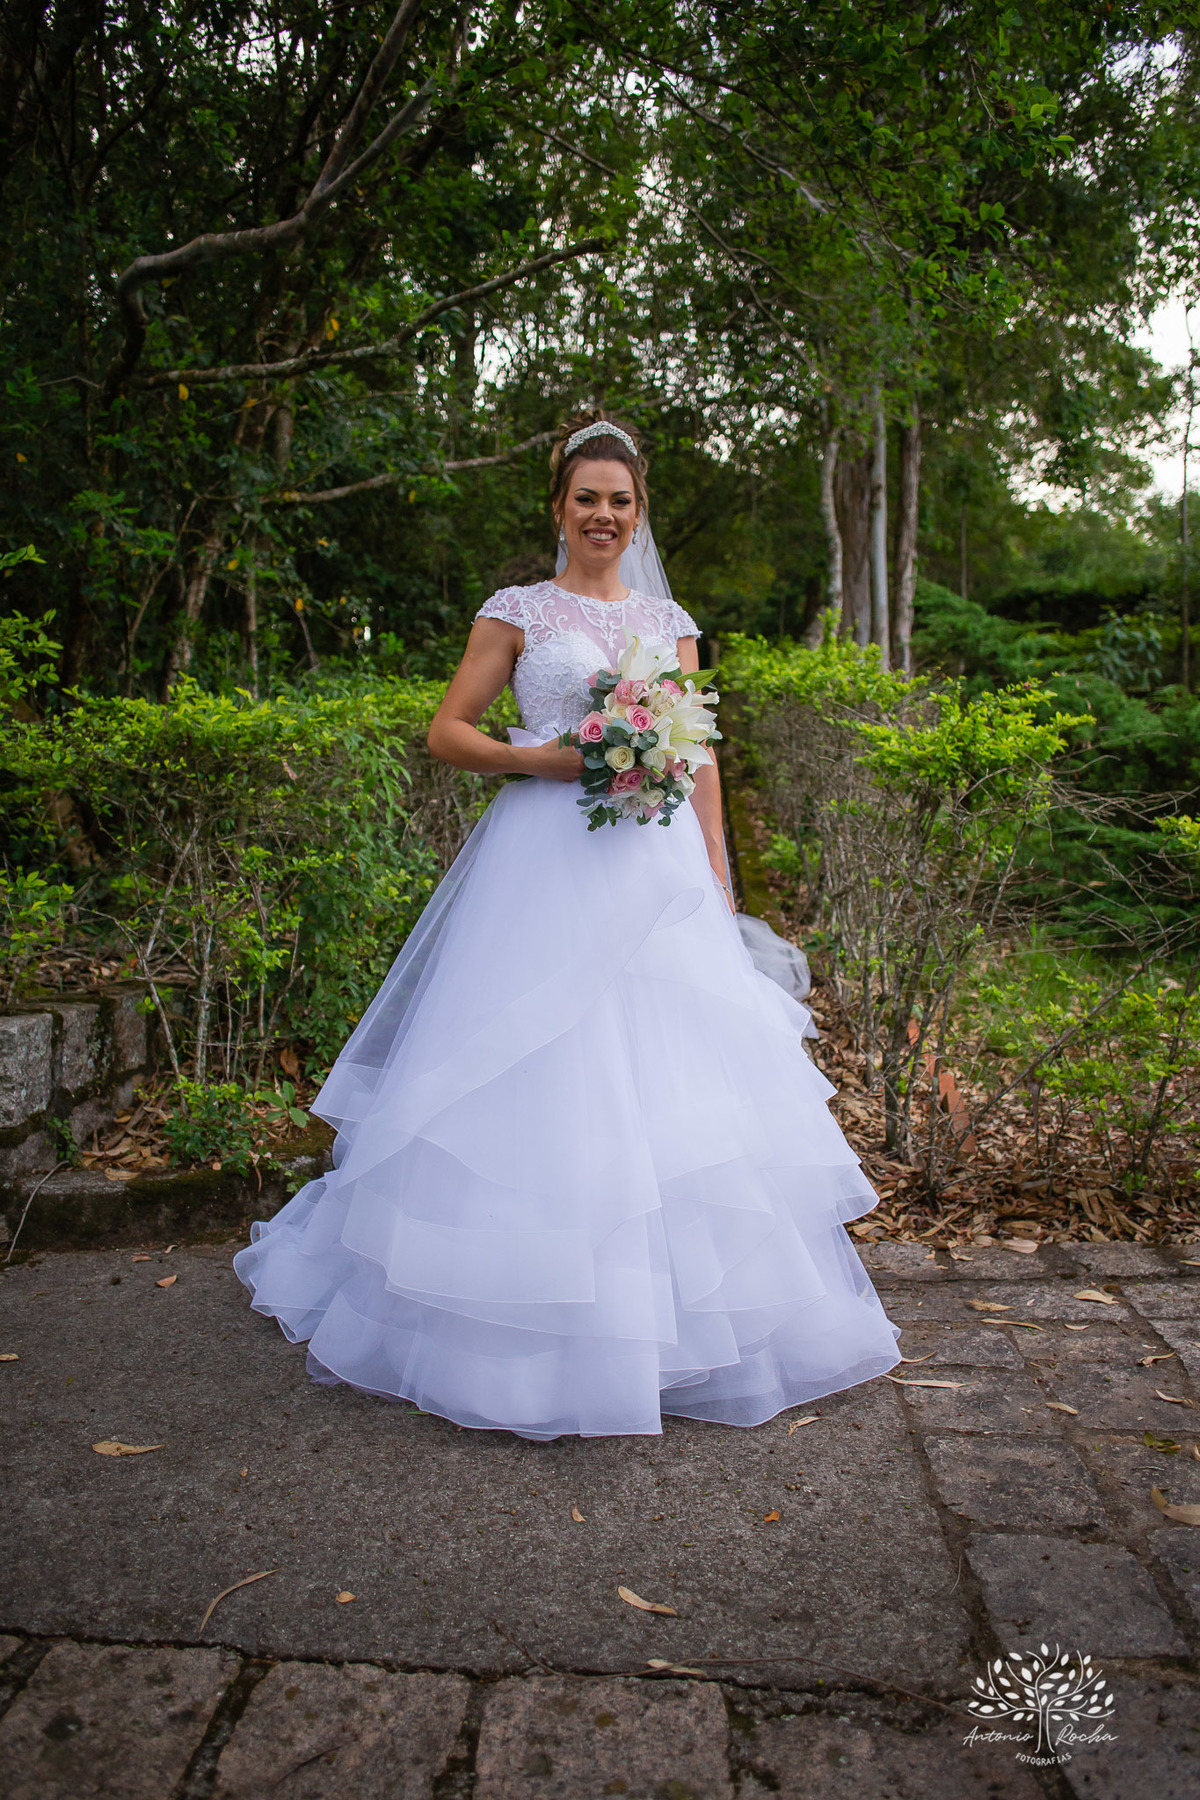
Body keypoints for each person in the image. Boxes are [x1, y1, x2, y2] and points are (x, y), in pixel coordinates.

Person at [234, 413, 899, 1439]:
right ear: (559, 510)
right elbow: (448, 731)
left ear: (639, 518)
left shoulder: (667, 617)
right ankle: (513, 1327)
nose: (603, 514)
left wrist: (718, 880)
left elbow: (701, 753)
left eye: (620, 501)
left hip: (655, 869)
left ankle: (675, 1329)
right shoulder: (518, 612)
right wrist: (548, 759)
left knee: (671, 1081)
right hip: (539, 866)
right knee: (534, 1067)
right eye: (586, 498)